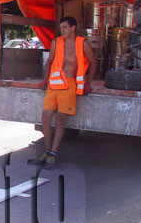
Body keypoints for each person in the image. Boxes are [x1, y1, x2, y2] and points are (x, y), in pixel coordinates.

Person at [36, 16, 96, 169]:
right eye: (60, 27)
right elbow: (50, 61)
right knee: (45, 120)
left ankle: (53, 154)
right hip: (54, 84)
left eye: (64, 27)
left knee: (60, 120)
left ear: (73, 28)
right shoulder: (56, 42)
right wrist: (45, 79)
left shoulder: (82, 43)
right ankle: (47, 151)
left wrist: (88, 82)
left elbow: (93, 62)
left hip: (69, 85)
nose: (61, 30)